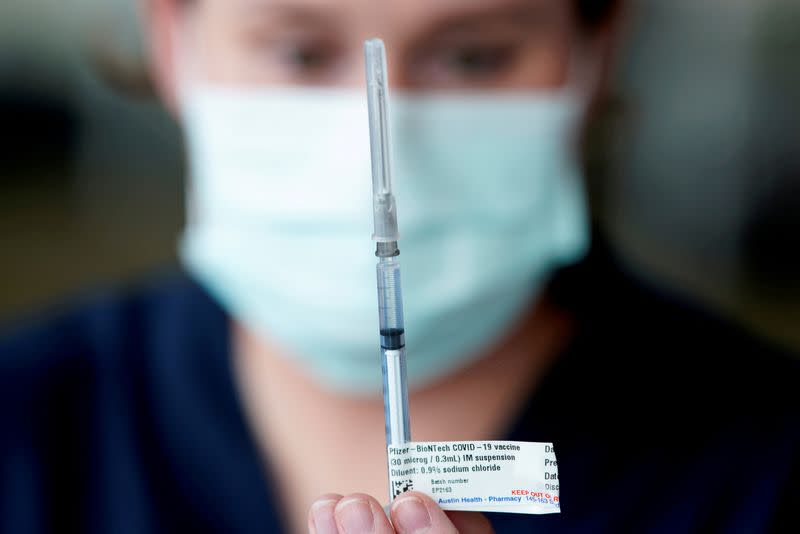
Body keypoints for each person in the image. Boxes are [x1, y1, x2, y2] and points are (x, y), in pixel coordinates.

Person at [1, 0, 798, 532]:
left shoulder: (766, 466)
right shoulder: (26, 425)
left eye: (476, 59)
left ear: (599, 52)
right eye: (300, 54)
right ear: (173, 42)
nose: (377, 152)